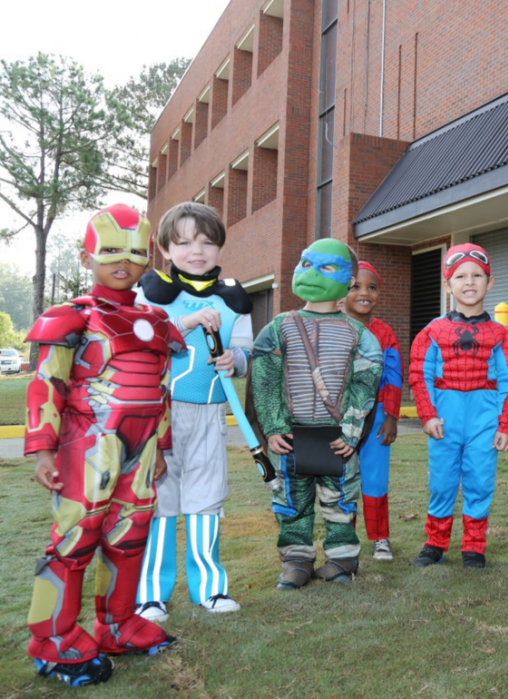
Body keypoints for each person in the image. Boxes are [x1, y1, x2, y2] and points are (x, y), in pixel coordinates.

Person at [23, 204, 184, 686]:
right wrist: (43, 449)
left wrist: (161, 446)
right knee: (75, 537)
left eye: (136, 252)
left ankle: (117, 623)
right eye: (111, 250)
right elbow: (46, 383)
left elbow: (161, 387)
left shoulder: (155, 320)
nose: (124, 261)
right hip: (86, 442)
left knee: (130, 535)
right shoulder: (70, 317)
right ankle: (51, 639)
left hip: (141, 447)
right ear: (86, 256)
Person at [134, 202, 253, 622]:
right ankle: (150, 594)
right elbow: (138, 340)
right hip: (157, 416)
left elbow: (244, 353)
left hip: (209, 413)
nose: (196, 250)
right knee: (161, 499)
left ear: (220, 247)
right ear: (165, 248)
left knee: (206, 498)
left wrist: (233, 361)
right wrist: (185, 323)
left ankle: (211, 589)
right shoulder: (148, 293)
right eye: (183, 242)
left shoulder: (234, 299)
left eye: (206, 241)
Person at [251, 239, 382, 589]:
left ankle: (341, 559)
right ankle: (296, 560)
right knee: (292, 501)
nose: (311, 274)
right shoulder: (279, 327)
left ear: (347, 280)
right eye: (306, 264)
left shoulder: (361, 336)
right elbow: (265, 379)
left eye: (326, 268)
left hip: (336, 437)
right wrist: (273, 426)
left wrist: (351, 432)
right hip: (291, 437)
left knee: (340, 500)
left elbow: (365, 384)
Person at [409, 243, 508, 569]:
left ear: (490, 282)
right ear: (448, 284)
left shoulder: (503, 336)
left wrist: (505, 424)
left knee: (480, 480)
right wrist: (427, 416)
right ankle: (435, 543)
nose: (469, 282)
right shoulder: (432, 332)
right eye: (460, 276)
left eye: (477, 275)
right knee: (442, 481)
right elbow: (420, 375)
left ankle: (474, 546)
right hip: (445, 415)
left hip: (485, 417)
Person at [343, 260, 403, 560]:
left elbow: (393, 376)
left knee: (375, 478)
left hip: (377, 414)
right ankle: (343, 535)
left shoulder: (385, 333)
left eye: (372, 287)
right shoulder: (332, 326)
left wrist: (391, 416)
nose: (364, 293)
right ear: (342, 290)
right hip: (341, 416)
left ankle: (380, 537)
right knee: (343, 478)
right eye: (355, 287)